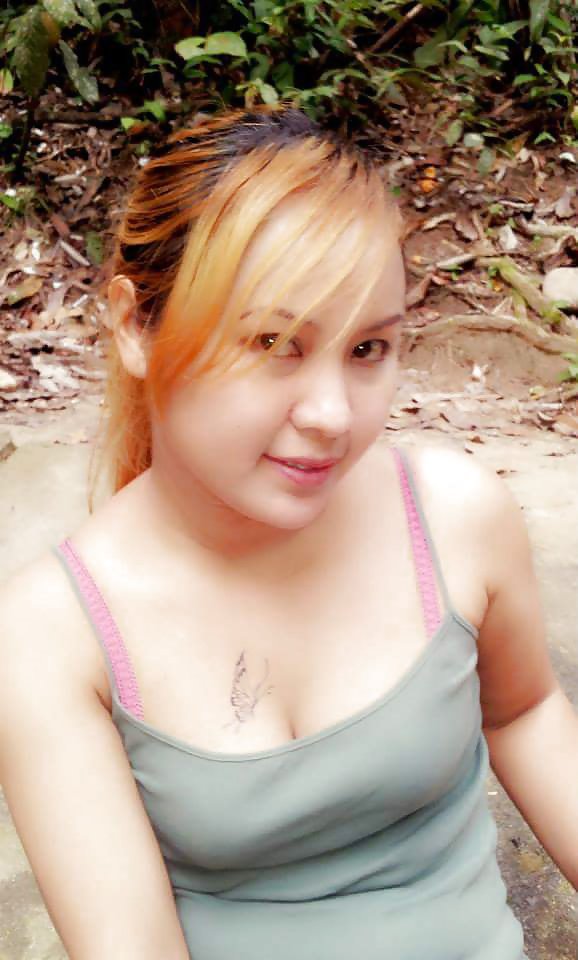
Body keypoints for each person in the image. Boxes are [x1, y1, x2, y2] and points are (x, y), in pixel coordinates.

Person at [0, 103, 576, 960]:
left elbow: (525, 713)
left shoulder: (454, 516)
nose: (332, 415)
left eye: (368, 349)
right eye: (273, 342)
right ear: (133, 326)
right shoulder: (51, 635)